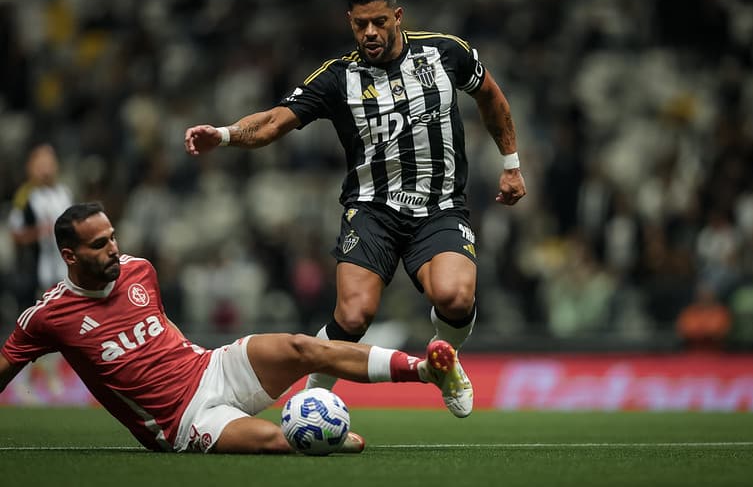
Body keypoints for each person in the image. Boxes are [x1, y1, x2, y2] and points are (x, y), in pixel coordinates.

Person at [184, 0, 526, 418]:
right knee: (352, 316)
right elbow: (273, 122)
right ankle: (311, 400)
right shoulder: (336, 78)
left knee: (455, 298)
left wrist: (511, 164)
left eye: (379, 22)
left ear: (397, 17)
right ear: (350, 21)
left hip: (438, 208)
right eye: (360, 24)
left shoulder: (445, 53)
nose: (370, 33)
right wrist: (225, 135)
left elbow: (491, 96)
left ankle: (447, 362)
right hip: (371, 211)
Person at [0, 202, 470, 453]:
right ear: (70, 256)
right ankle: (329, 439)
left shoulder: (139, 269)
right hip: (182, 422)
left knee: (300, 346)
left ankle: (427, 371)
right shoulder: (48, 317)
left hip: (211, 368)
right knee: (275, 440)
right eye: (99, 244)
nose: (112, 249)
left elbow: (161, 334)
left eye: (113, 237)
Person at [9, 143, 73, 308]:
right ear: (30, 168)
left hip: (64, 269)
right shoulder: (25, 196)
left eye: (49, 164)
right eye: (40, 165)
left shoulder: (64, 193)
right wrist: (39, 232)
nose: (46, 171)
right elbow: (15, 234)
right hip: (37, 270)